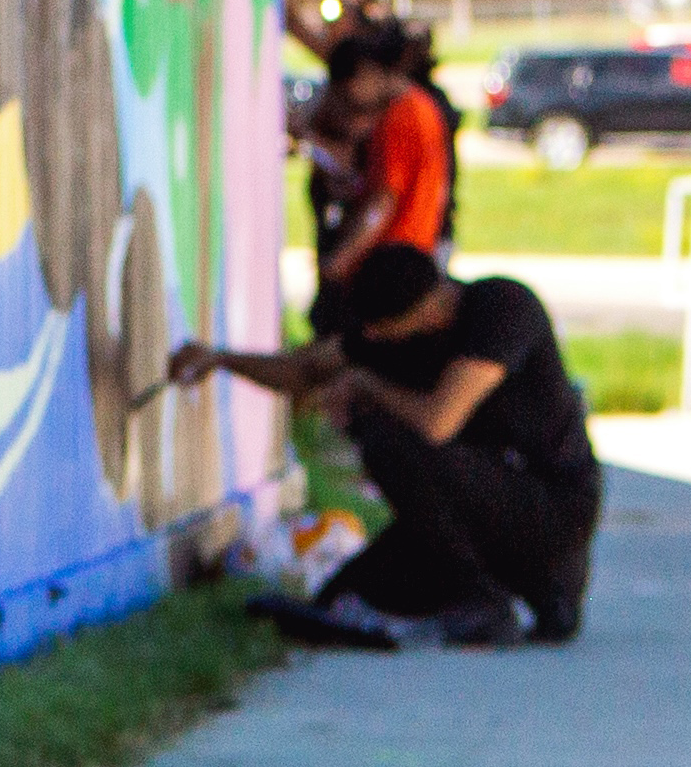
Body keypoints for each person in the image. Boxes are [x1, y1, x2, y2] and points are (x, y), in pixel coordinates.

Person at [171, 242, 596, 647]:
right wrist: (221, 360)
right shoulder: (391, 336)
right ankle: (499, 589)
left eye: (380, 328)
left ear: (426, 307)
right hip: (477, 513)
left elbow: (438, 423)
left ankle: (484, 599)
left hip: (549, 506)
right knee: (341, 604)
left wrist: (365, 384)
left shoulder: (501, 310)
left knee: (388, 436)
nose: (371, 337)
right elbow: (304, 371)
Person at [322, 21, 457, 284]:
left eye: (347, 92)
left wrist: (342, 259)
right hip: (413, 254)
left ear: (365, 73)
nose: (351, 103)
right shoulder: (420, 105)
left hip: (394, 264)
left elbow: (383, 202)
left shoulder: (402, 115)